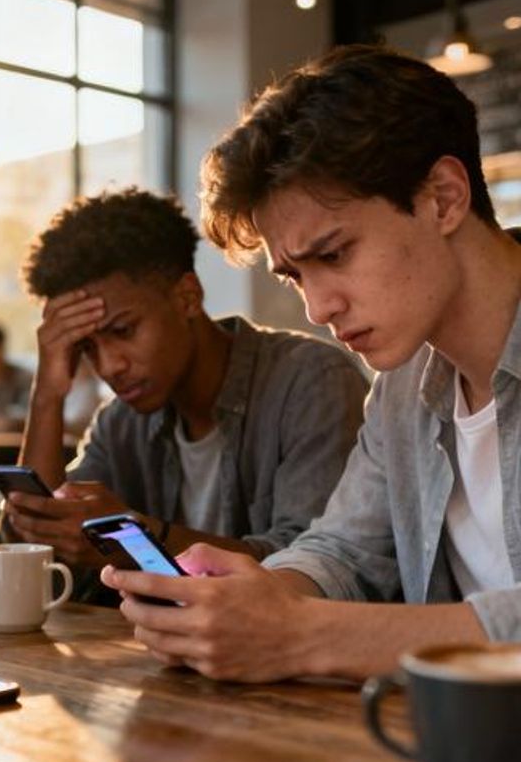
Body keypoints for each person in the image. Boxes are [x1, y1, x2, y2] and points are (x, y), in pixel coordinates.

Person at [101, 44, 521, 682]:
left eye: (335, 253)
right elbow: (346, 552)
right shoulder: (404, 386)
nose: (319, 308)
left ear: (442, 197)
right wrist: (257, 596)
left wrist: (302, 635)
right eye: (296, 274)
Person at [5, 188, 368, 601]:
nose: (109, 367)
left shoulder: (310, 381)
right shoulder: (122, 421)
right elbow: (40, 567)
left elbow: (315, 570)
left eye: (123, 331)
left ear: (187, 297)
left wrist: (139, 538)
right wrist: (48, 396)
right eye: (87, 348)